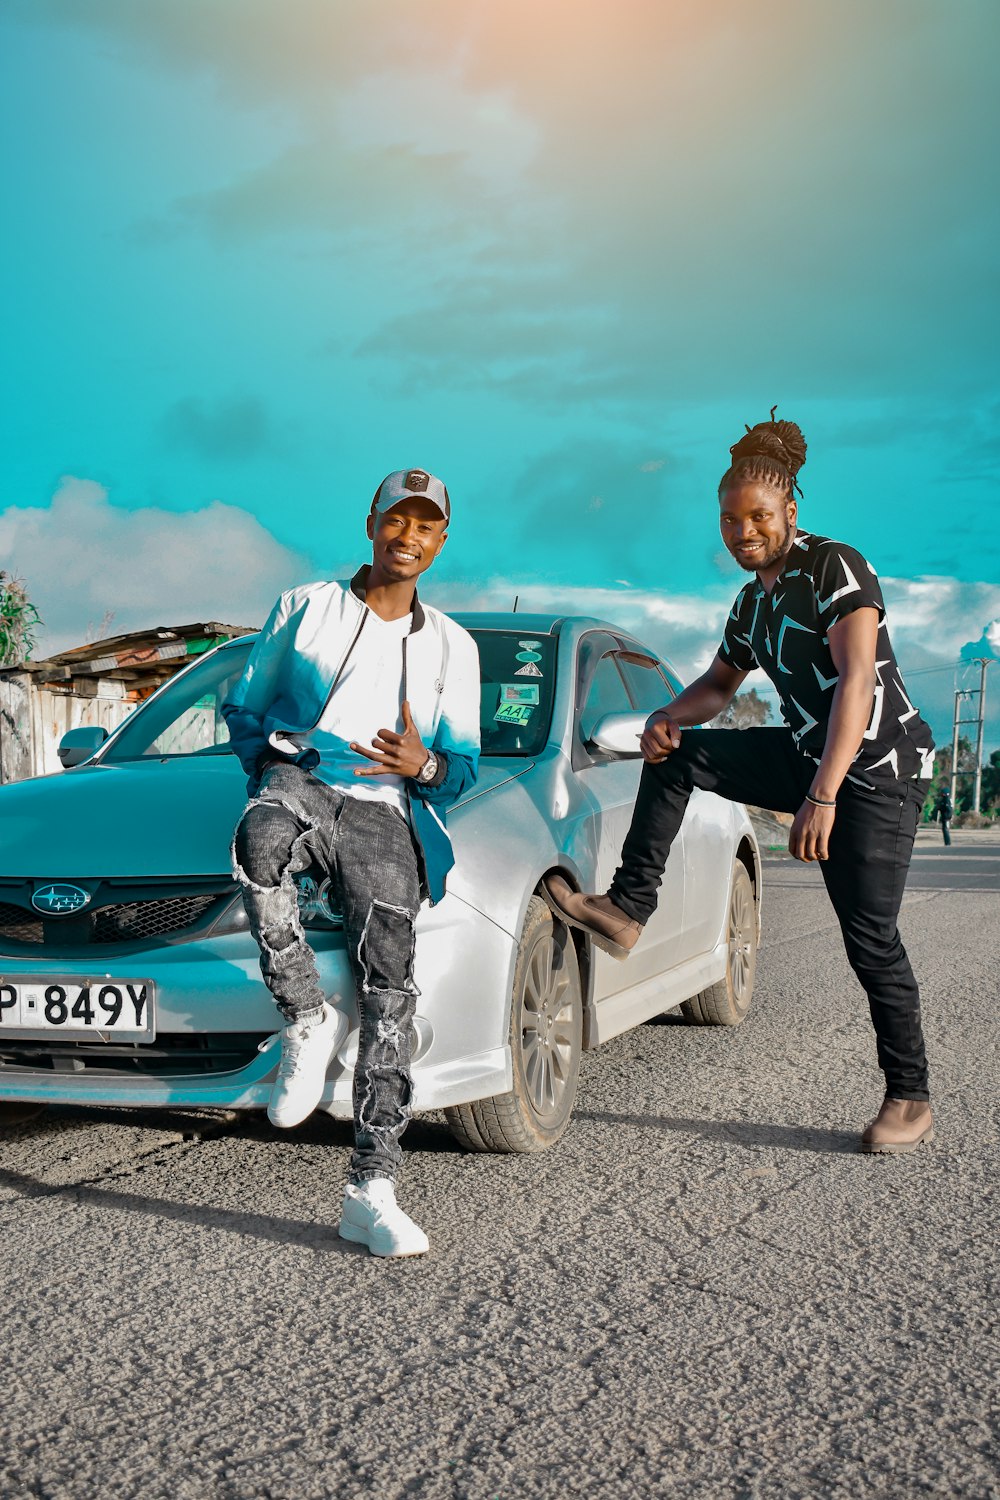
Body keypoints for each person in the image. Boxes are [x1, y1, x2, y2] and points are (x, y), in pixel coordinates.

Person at [545, 414, 937, 1155]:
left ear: (791, 510)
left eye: (759, 516)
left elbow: (857, 682)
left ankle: (910, 1097)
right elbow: (720, 686)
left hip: (878, 770)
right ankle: (629, 909)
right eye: (731, 519)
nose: (744, 530)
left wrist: (821, 796)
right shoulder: (753, 604)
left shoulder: (836, 568)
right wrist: (666, 713)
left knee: (871, 940)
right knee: (682, 753)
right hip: (808, 753)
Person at [223, 469, 480, 1256]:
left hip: (384, 812)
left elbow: (464, 765)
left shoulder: (453, 646)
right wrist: (286, 751)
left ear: (440, 542)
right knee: (258, 840)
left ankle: (372, 1187)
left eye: (425, 525)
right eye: (395, 520)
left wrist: (425, 765)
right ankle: (304, 1013)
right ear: (370, 524)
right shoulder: (305, 609)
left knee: (391, 986)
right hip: (301, 783)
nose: (408, 536)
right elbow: (240, 709)